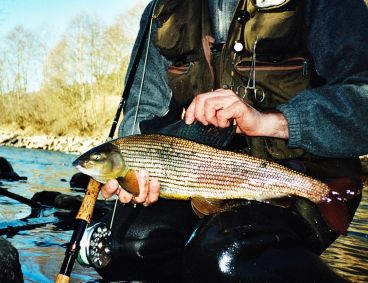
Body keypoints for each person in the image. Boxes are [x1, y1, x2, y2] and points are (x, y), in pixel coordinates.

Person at [96, 0, 368, 282]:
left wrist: (272, 121)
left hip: (305, 175)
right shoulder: (162, 9)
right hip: (196, 174)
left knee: (228, 254)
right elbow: (143, 110)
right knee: (119, 247)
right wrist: (134, 169)